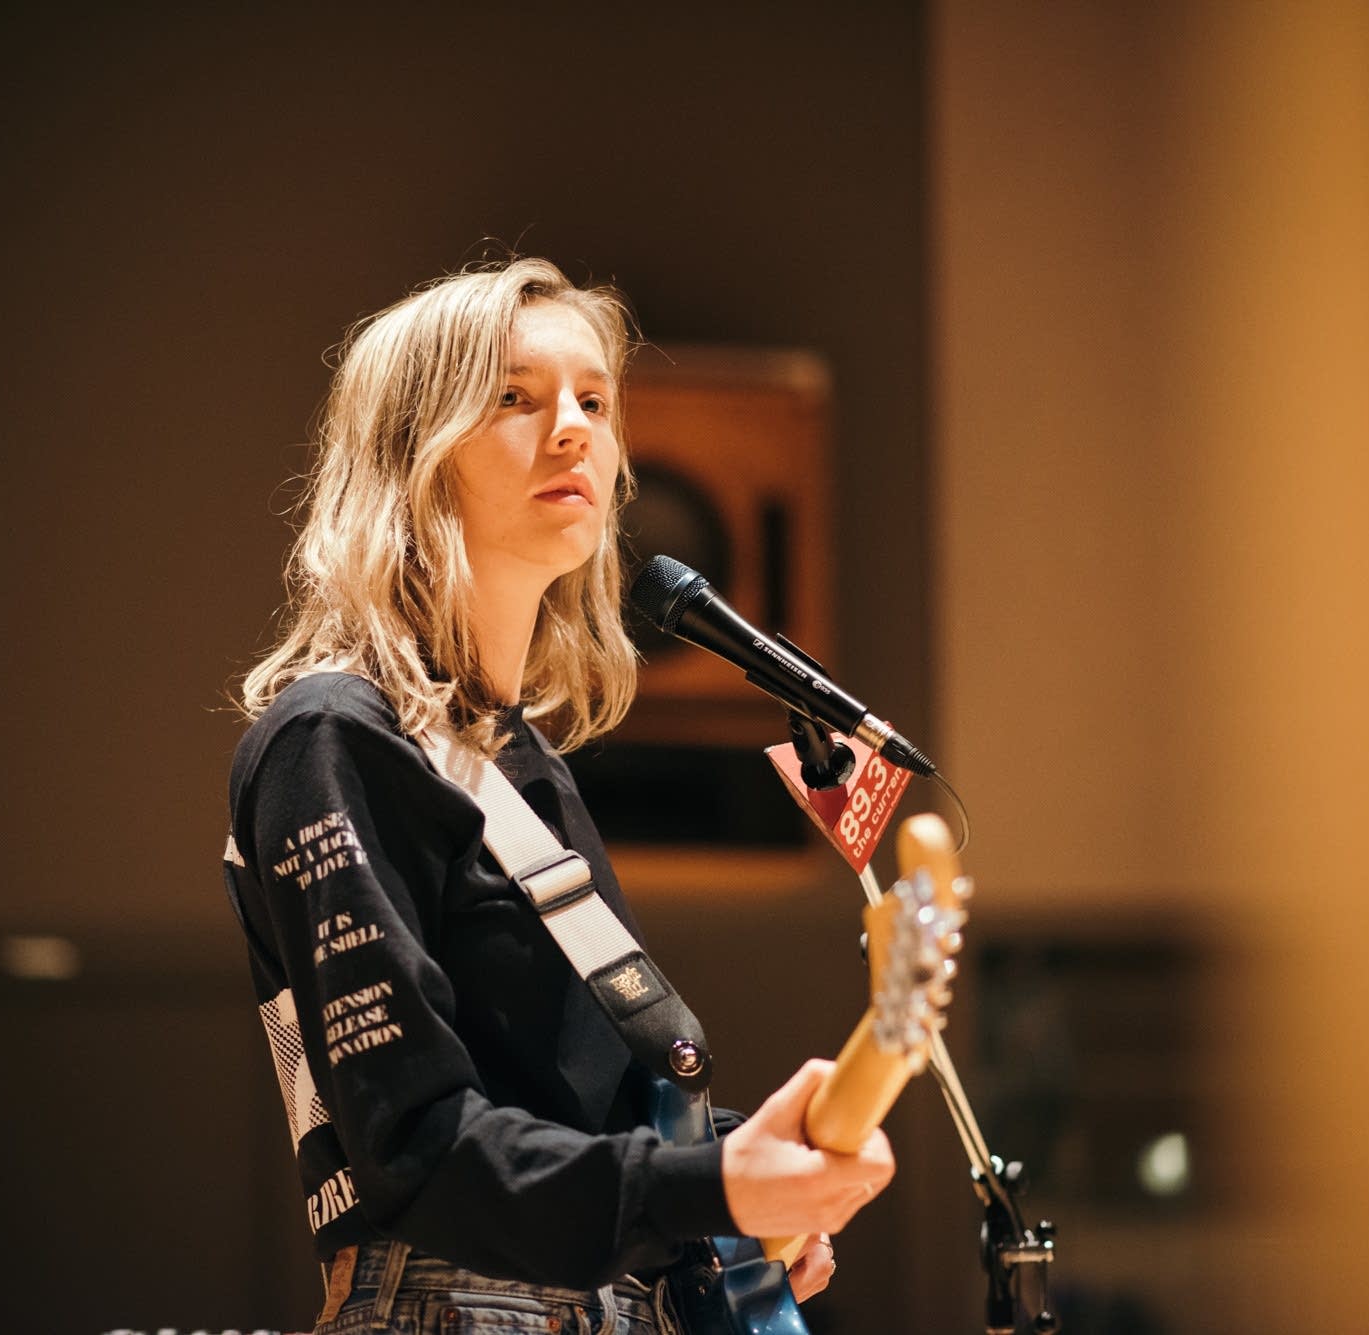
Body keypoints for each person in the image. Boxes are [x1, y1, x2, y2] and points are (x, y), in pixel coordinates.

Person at [223, 257, 895, 1335]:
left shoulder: (522, 766)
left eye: (594, 400)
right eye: (515, 399)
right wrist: (710, 1190)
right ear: (414, 453)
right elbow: (422, 1148)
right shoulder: (331, 739)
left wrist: (745, 1181)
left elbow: (573, 1109)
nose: (575, 429)